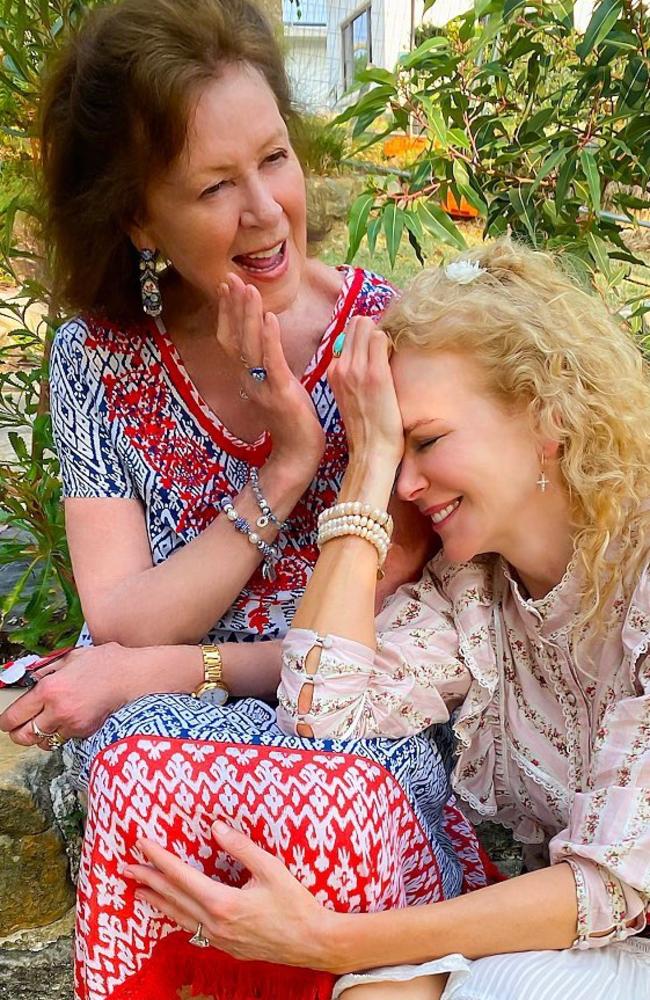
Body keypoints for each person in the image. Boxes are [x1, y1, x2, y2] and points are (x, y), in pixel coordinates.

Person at [0, 1, 497, 998]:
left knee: (318, 799)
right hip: (163, 728)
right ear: (139, 217)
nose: (265, 210)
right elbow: (121, 614)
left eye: (273, 159)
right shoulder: (97, 359)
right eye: (214, 185)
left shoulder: (383, 338)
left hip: (351, 724)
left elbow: (370, 648)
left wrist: (158, 667)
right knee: (139, 774)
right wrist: (286, 463)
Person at [115, 239, 649, 999]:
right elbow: (319, 719)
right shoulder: (472, 592)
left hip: (613, 926)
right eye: (396, 450)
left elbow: (615, 887)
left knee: (487, 989)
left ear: (548, 418)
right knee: (378, 991)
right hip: (602, 944)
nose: (409, 481)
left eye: (425, 441)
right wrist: (363, 472)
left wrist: (327, 940)